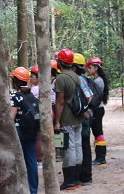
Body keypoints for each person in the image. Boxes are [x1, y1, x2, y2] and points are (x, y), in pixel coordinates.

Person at [53, 48, 85, 190]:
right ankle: (77, 179)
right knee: (78, 146)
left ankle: (69, 181)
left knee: (69, 148)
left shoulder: (61, 78)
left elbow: (60, 102)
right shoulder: (75, 76)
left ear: (60, 62)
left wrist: (57, 121)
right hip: (78, 118)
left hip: (67, 118)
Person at [12, 67, 41, 194]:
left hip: (19, 131)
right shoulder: (32, 96)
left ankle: (21, 189)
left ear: (16, 81)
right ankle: (33, 190)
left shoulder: (16, 98)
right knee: (31, 160)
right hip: (32, 131)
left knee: (18, 161)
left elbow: (10, 118)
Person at [72, 53, 94, 185]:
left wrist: (79, 109)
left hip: (83, 117)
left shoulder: (79, 80)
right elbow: (89, 96)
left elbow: (88, 97)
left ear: (74, 68)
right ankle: (83, 175)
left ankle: (85, 176)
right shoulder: (82, 79)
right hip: (85, 114)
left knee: (83, 145)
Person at [86, 57, 109, 166]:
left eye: (90, 68)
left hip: (97, 109)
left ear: (96, 68)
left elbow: (95, 96)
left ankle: (101, 158)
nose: (88, 70)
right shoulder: (96, 80)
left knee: (98, 132)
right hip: (97, 109)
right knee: (97, 132)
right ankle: (99, 157)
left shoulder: (98, 81)